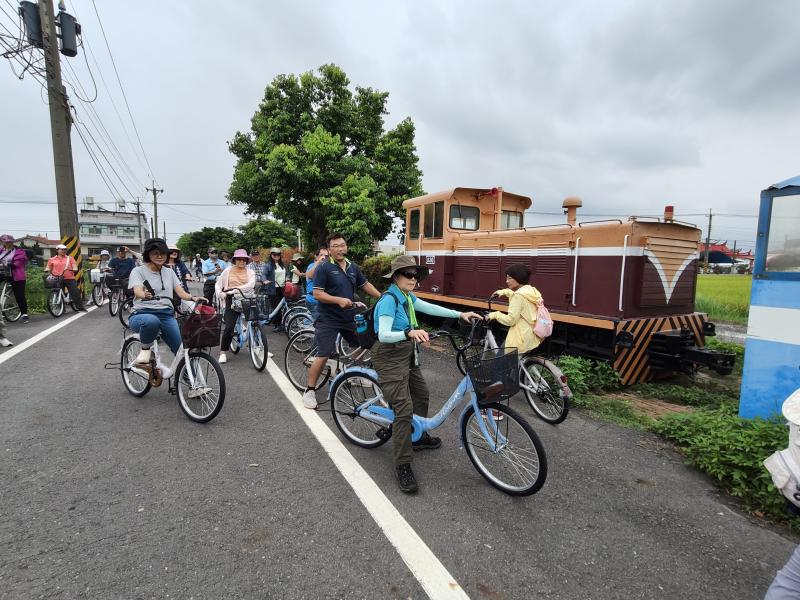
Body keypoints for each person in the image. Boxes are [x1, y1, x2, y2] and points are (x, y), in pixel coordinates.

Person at [372, 254, 481, 494]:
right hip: (389, 356)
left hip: (407, 353)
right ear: (396, 276)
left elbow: (430, 307)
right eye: (408, 275)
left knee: (421, 394)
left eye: (416, 275)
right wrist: (408, 333)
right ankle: (402, 464)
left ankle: (417, 436)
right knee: (403, 409)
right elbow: (383, 334)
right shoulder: (389, 299)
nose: (413, 279)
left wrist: (459, 314)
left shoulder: (407, 297)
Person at [303, 233, 381, 409]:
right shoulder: (323, 267)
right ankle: (309, 390)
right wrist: (338, 300)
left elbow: (365, 284)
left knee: (365, 342)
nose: (340, 248)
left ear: (346, 247)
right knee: (323, 354)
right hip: (328, 318)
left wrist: (383, 297)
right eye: (335, 246)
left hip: (348, 317)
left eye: (342, 245)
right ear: (329, 250)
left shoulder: (353, 267)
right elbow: (317, 294)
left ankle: (352, 373)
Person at [128, 238, 205, 367]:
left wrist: (193, 298)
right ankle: (145, 351)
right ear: (148, 255)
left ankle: (191, 382)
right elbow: (137, 291)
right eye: (155, 253)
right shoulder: (138, 271)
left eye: (162, 253)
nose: (159, 256)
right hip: (141, 314)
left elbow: (180, 292)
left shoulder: (169, 272)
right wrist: (144, 295)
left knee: (181, 349)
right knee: (151, 321)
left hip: (166, 315)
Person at [486, 263, 544, 354]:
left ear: (518, 278)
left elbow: (510, 320)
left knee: (499, 365)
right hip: (532, 334)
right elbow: (517, 294)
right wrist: (503, 292)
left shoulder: (518, 296)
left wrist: (494, 314)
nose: (506, 281)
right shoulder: (530, 290)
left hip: (520, 338)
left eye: (509, 278)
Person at [215, 249, 256, 365]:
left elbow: (251, 285)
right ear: (235, 260)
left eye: (244, 259)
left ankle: (259, 346)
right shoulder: (227, 271)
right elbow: (218, 285)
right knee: (229, 327)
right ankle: (223, 352)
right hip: (231, 298)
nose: (242, 261)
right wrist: (221, 294)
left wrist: (235, 290)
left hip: (247, 297)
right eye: (239, 259)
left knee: (255, 322)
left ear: (247, 260)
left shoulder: (250, 271)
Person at [45, 244, 86, 311]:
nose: (63, 251)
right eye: (61, 249)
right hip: (57, 278)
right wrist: (46, 270)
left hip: (69, 278)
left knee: (75, 292)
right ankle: (61, 309)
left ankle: (80, 307)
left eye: (65, 249)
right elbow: (48, 267)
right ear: (57, 250)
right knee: (58, 292)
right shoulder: (51, 259)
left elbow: (74, 265)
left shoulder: (70, 258)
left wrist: (75, 268)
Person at [0, 234, 29, 323]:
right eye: (6, 242)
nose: (8, 243)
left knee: (19, 295)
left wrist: (7, 264)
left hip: (16, 275)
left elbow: (19, 263)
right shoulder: (1, 251)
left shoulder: (19, 252)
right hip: (2, 273)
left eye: (10, 242)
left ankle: (24, 314)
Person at [262, 247, 287, 332]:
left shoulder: (282, 264)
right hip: (273, 289)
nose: (276, 256)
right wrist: (265, 280)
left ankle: (278, 322)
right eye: (274, 254)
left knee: (283, 306)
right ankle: (277, 325)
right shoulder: (268, 265)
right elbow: (264, 274)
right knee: (277, 307)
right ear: (271, 255)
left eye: (278, 254)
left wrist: (288, 278)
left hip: (282, 288)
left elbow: (286, 274)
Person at [305, 246, 328, 323]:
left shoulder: (326, 266)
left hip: (323, 300)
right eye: (321, 255)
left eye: (326, 255)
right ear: (316, 256)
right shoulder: (312, 266)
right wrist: (318, 262)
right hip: (313, 300)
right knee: (321, 323)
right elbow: (309, 275)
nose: (324, 257)